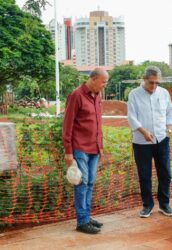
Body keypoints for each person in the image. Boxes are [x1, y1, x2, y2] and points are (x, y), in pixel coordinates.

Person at [62, 68, 108, 234]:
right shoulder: (76, 95)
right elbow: (67, 124)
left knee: (90, 182)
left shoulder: (98, 96)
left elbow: (98, 123)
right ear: (94, 79)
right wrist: (68, 150)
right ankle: (82, 221)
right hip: (80, 147)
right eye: (103, 82)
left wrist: (100, 146)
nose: (104, 85)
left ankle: (87, 217)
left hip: (94, 148)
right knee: (82, 183)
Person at [127, 66, 172, 218]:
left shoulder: (164, 93)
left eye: (156, 83)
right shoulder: (134, 94)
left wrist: (169, 130)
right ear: (144, 79)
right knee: (145, 175)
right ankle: (147, 205)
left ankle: (164, 204)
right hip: (141, 142)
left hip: (162, 139)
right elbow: (131, 117)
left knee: (165, 173)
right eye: (151, 82)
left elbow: (169, 112)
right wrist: (143, 132)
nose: (154, 86)